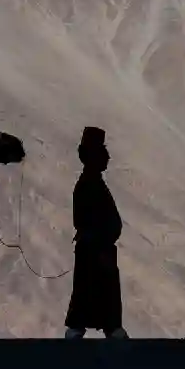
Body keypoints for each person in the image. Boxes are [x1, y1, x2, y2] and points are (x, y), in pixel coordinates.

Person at [64, 127, 128, 339]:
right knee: (92, 286)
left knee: (98, 286)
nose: (107, 158)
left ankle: (104, 326)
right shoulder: (88, 184)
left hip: (98, 246)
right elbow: (81, 218)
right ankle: (96, 327)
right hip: (95, 246)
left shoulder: (91, 182)